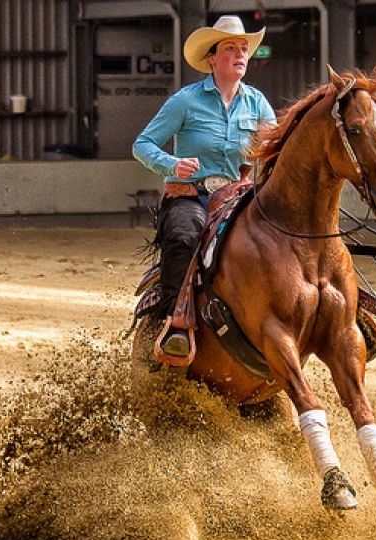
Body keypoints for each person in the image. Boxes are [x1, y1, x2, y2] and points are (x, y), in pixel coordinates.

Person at [133, 15, 275, 358]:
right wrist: (172, 164)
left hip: (238, 195)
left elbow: (277, 146)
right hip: (191, 194)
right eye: (231, 48)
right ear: (211, 58)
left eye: (244, 49)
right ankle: (173, 323)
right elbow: (142, 144)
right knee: (184, 236)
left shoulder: (257, 102)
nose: (241, 54)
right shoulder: (185, 101)